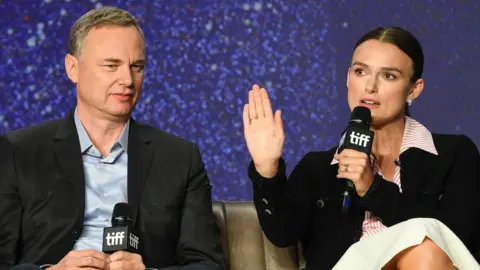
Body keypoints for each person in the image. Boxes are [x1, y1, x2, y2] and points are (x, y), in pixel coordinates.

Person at [0, 6, 226, 270]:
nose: (128, 80)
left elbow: (207, 264)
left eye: (137, 67)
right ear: (72, 68)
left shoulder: (180, 158)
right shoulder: (18, 152)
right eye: (111, 66)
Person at [243, 27, 480, 269]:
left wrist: (373, 189)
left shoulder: (454, 155)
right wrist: (267, 170)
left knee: (426, 246)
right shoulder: (319, 167)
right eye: (360, 72)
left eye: (389, 76)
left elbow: (457, 240)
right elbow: (282, 233)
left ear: (414, 89)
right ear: (347, 78)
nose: (370, 87)